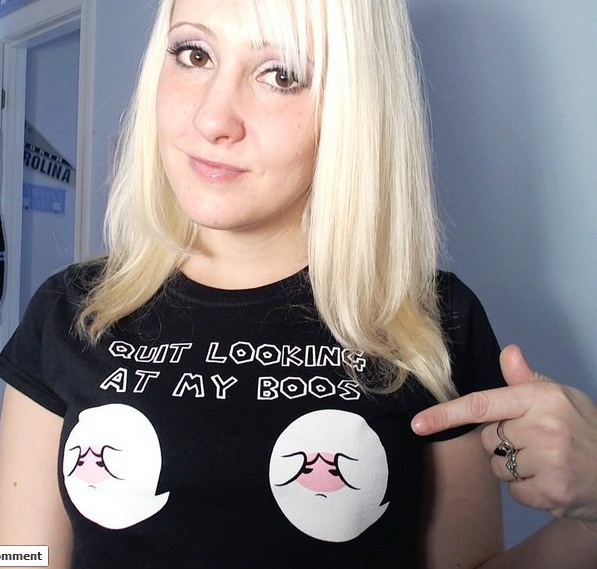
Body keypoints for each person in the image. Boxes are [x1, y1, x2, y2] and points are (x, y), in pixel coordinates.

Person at [0, 0, 596, 567]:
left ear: (353, 107)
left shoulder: (430, 322)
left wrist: (592, 517)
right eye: (194, 55)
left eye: (281, 74)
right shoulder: (69, 311)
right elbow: (19, 556)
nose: (212, 118)